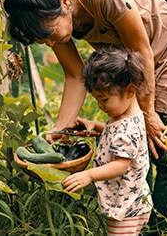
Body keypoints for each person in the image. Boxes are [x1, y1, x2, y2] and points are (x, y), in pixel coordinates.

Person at [0, 0, 167, 234]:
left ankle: (163, 230)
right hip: (130, 58)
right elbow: (74, 75)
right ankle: (138, 225)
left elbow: (143, 52)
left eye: (50, 34)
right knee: (137, 150)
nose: (51, 43)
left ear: (65, 1)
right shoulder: (55, 19)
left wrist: (148, 113)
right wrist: (60, 130)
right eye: (43, 41)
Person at [62, 48, 152, 236]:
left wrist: (89, 175)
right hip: (132, 199)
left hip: (125, 208)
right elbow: (117, 135)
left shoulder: (127, 127)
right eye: (97, 99)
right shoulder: (128, 117)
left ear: (129, 91)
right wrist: (95, 125)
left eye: (104, 99)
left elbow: (120, 164)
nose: (100, 105)